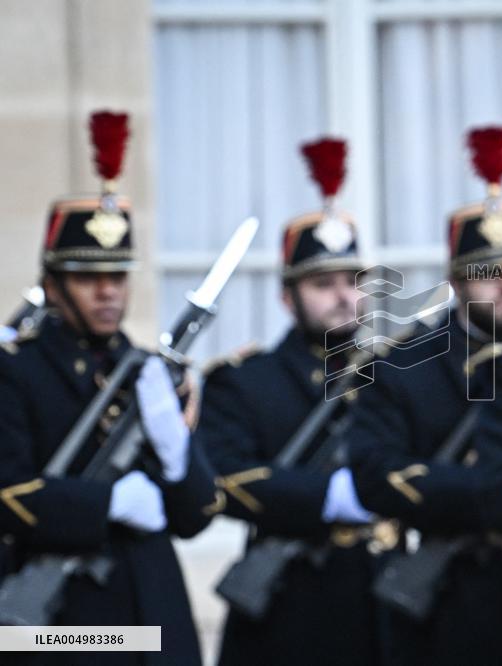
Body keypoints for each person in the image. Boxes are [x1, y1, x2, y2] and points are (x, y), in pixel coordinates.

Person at [0, 111, 218, 665]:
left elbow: (195, 517)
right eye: (88, 277)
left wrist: (176, 453)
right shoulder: (16, 372)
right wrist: (105, 502)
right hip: (61, 629)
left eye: (118, 276)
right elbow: (6, 491)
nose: (107, 293)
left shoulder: (147, 372)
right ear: (51, 285)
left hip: (155, 616)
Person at [346, 126, 502, 665]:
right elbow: (375, 472)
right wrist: (494, 497)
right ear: (456, 279)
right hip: (452, 599)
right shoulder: (404, 363)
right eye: (488, 273)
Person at [197, 137, 379, 665]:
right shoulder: (245, 381)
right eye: (323, 283)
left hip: (377, 597)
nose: (344, 295)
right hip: (288, 607)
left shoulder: (387, 376)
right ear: (286, 297)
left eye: (353, 281)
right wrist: (330, 495)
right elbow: (224, 479)